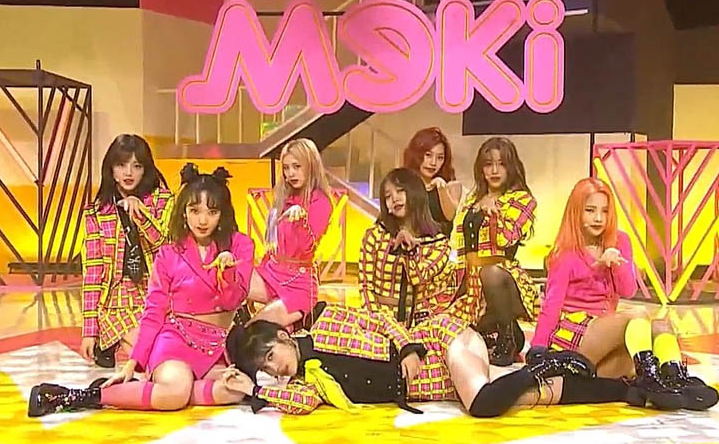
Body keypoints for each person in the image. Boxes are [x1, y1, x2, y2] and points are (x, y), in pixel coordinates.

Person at [28, 164, 255, 416]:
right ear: (183, 212)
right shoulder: (169, 254)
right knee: (175, 394)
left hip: (215, 347)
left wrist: (226, 272)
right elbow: (154, 311)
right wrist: (133, 362)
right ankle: (84, 396)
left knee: (236, 389)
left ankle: (140, 391)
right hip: (176, 341)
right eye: (194, 210)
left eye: (212, 212)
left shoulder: (241, 245)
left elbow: (233, 300)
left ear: (223, 213)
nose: (202, 220)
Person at [221, 303, 660, 417]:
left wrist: (408, 347)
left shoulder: (329, 320)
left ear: (284, 337)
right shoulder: (308, 383)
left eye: (270, 356)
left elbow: (380, 319)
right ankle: (626, 389)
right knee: (524, 396)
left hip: (437, 341)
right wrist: (255, 389)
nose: (274, 368)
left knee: (484, 403)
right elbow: (298, 404)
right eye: (265, 368)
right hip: (437, 382)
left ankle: (543, 363)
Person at [531, 177, 718, 411]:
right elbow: (552, 304)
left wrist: (616, 263)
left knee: (660, 326)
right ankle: (651, 380)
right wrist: (537, 348)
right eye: (590, 210)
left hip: (606, 333)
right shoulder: (565, 253)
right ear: (576, 211)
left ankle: (673, 380)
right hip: (576, 334)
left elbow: (628, 290)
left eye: (604, 211)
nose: (598, 218)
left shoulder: (620, 241)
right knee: (637, 315)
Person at [80, 134, 173, 369]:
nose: (129, 172)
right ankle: (108, 339)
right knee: (150, 360)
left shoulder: (163, 201)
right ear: (111, 170)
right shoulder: (96, 213)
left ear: (146, 170)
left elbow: (164, 246)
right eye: (122, 165)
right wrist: (89, 331)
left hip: (155, 293)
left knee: (165, 354)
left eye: (137, 166)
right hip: (115, 300)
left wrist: (140, 214)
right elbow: (93, 272)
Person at [450, 137, 540, 366]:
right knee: (451, 325)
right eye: (488, 164)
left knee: (490, 273)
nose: (494, 170)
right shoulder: (472, 200)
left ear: (511, 167)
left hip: (504, 278)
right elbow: (459, 242)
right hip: (471, 277)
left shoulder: (523, 200)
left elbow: (506, 239)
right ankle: (509, 331)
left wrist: (494, 215)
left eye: (501, 164)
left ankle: (507, 340)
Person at [246, 138, 334, 329]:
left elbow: (306, 248)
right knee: (226, 282)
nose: (290, 173)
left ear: (311, 166)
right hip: (271, 273)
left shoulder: (321, 202)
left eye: (296, 166)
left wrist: (301, 221)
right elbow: (273, 245)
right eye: (286, 168)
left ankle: (293, 323)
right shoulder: (284, 198)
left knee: (255, 329)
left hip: (298, 285)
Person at [359, 168, 460, 328]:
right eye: (388, 196)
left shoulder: (438, 243)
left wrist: (409, 250)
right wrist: (376, 320)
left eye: (400, 191)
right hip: (379, 322)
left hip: (421, 325)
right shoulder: (375, 236)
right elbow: (365, 286)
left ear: (415, 193)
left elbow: (418, 277)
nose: (394, 198)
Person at [403, 128, 462, 236]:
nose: (433, 163)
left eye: (440, 158)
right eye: (428, 155)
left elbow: (451, 216)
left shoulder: (452, 186)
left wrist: (441, 188)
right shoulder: (403, 185)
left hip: (442, 245)